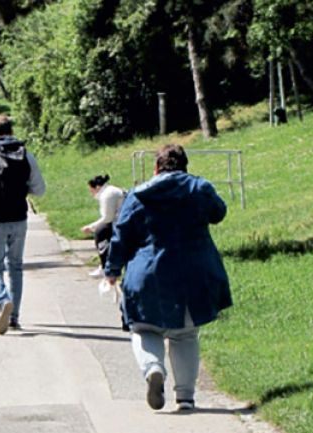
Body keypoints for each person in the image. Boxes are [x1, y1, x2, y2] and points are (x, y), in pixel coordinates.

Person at [104, 144, 232, 412]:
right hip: (194, 274)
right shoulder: (199, 188)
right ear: (185, 166)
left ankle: (153, 370)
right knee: (185, 335)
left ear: (156, 167)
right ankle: (185, 397)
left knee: (143, 328)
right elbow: (219, 213)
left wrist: (113, 269)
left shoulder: (138, 195)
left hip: (148, 274)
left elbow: (122, 234)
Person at [0, 115, 46, 334]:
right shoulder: (26, 156)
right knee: (16, 267)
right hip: (19, 219)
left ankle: (3, 299)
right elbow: (39, 189)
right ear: (11, 131)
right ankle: (14, 318)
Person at [80, 174, 125, 278]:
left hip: (121, 222)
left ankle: (105, 267)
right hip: (120, 220)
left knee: (101, 232)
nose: (91, 194)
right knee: (102, 231)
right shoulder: (109, 191)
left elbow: (107, 218)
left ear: (97, 187)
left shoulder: (107, 195)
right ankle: (105, 265)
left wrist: (91, 227)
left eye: (91, 190)